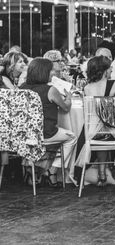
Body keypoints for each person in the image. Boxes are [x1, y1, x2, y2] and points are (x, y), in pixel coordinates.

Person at [20, 58, 78, 186]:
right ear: (44, 72)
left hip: (25, 135)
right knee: (72, 137)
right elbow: (66, 107)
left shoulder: (21, 88)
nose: (53, 72)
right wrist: (69, 98)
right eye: (51, 69)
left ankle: (34, 169)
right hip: (46, 133)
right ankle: (52, 170)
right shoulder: (50, 90)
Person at [83, 55, 115, 186]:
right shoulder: (114, 84)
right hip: (113, 135)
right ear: (104, 70)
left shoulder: (87, 87)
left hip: (92, 134)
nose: (112, 69)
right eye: (109, 67)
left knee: (102, 129)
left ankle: (102, 173)